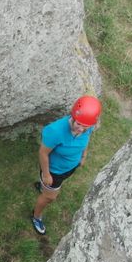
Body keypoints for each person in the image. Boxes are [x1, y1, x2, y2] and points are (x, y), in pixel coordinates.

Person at [31, 95, 102, 235]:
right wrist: (46, 174)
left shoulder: (88, 126)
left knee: (50, 189)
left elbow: (86, 137)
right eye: (78, 124)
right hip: (54, 172)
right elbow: (43, 153)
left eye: (86, 126)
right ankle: (36, 216)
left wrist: (83, 155)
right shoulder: (55, 131)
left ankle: (43, 187)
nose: (81, 129)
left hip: (68, 168)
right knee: (50, 197)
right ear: (73, 116)